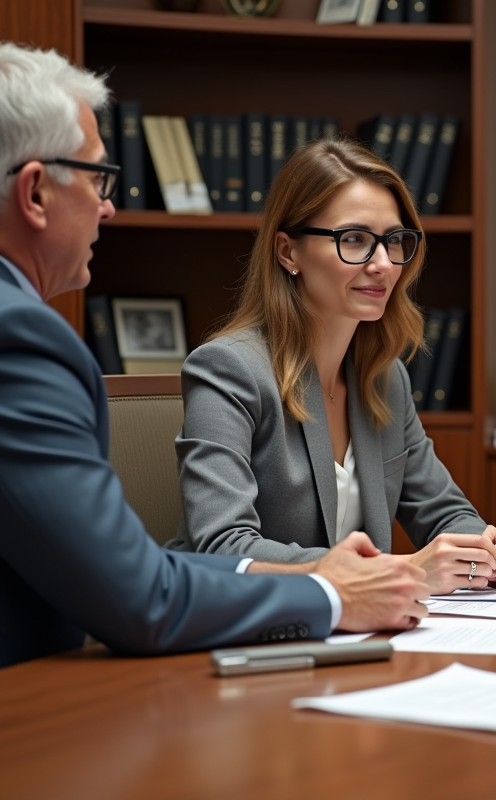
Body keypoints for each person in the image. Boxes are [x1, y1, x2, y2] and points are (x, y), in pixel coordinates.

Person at [0, 43, 429, 670]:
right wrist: (330, 592)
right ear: (36, 192)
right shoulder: (21, 339)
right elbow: (142, 594)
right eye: (98, 178)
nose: (109, 205)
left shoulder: (384, 375)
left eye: (395, 242)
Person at [165, 138, 496, 594]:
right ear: (288, 252)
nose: (383, 264)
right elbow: (222, 547)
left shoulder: (383, 377)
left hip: (358, 633)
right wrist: (402, 571)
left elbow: (443, 512)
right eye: (354, 239)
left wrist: (489, 548)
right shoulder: (228, 370)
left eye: (394, 241)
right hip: (239, 630)